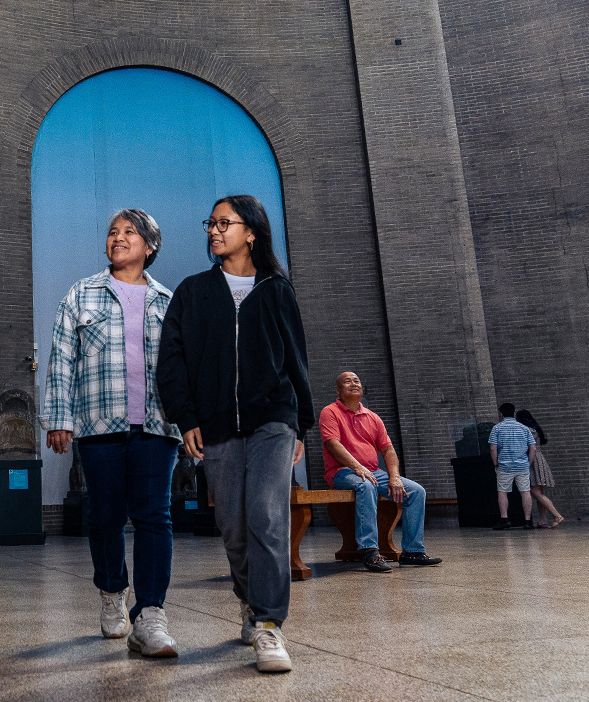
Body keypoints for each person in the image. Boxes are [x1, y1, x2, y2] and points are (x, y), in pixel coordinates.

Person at [156, 194, 312, 674]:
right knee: (233, 526)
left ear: (251, 232)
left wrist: (299, 423)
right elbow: (172, 362)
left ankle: (269, 625)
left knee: (267, 516)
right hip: (216, 422)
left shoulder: (276, 290)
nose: (213, 230)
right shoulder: (193, 292)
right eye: (211, 223)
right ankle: (248, 599)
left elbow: (296, 360)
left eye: (225, 222)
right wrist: (186, 418)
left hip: (273, 421)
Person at [39, 209, 182, 658]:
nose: (118, 239)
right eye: (112, 232)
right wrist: (59, 417)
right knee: (104, 518)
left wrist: (195, 422)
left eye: (129, 233)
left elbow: (183, 368)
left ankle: (152, 613)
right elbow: (61, 359)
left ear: (150, 247)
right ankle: (111, 591)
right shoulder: (82, 294)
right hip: (98, 424)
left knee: (154, 517)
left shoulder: (167, 301)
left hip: (158, 426)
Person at [319, 372, 442, 571]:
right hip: (342, 472)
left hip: (374, 471)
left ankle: (412, 551)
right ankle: (370, 551)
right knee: (365, 485)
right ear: (338, 390)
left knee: (416, 491)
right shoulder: (330, 412)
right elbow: (333, 444)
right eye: (347, 382)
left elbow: (388, 449)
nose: (353, 384)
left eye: (357, 380)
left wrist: (394, 477)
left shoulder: (372, 417)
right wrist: (358, 467)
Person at [488, 402, 536, 529]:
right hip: (522, 465)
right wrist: (528, 463)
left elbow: (493, 448)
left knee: (503, 492)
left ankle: (505, 519)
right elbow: (533, 448)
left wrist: (495, 463)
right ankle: (527, 521)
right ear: (513, 412)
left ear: (501, 413)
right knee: (525, 492)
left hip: (504, 466)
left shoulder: (497, 428)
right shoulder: (524, 428)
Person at [516, 409, 563, 528]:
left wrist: (526, 464)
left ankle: (557, 515)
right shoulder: (534, 430)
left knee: (535, 492)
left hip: (532, 461)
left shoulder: (528, 431)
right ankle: (543, 521)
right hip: (538, 460)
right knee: (539, 492)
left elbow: (530, 449)